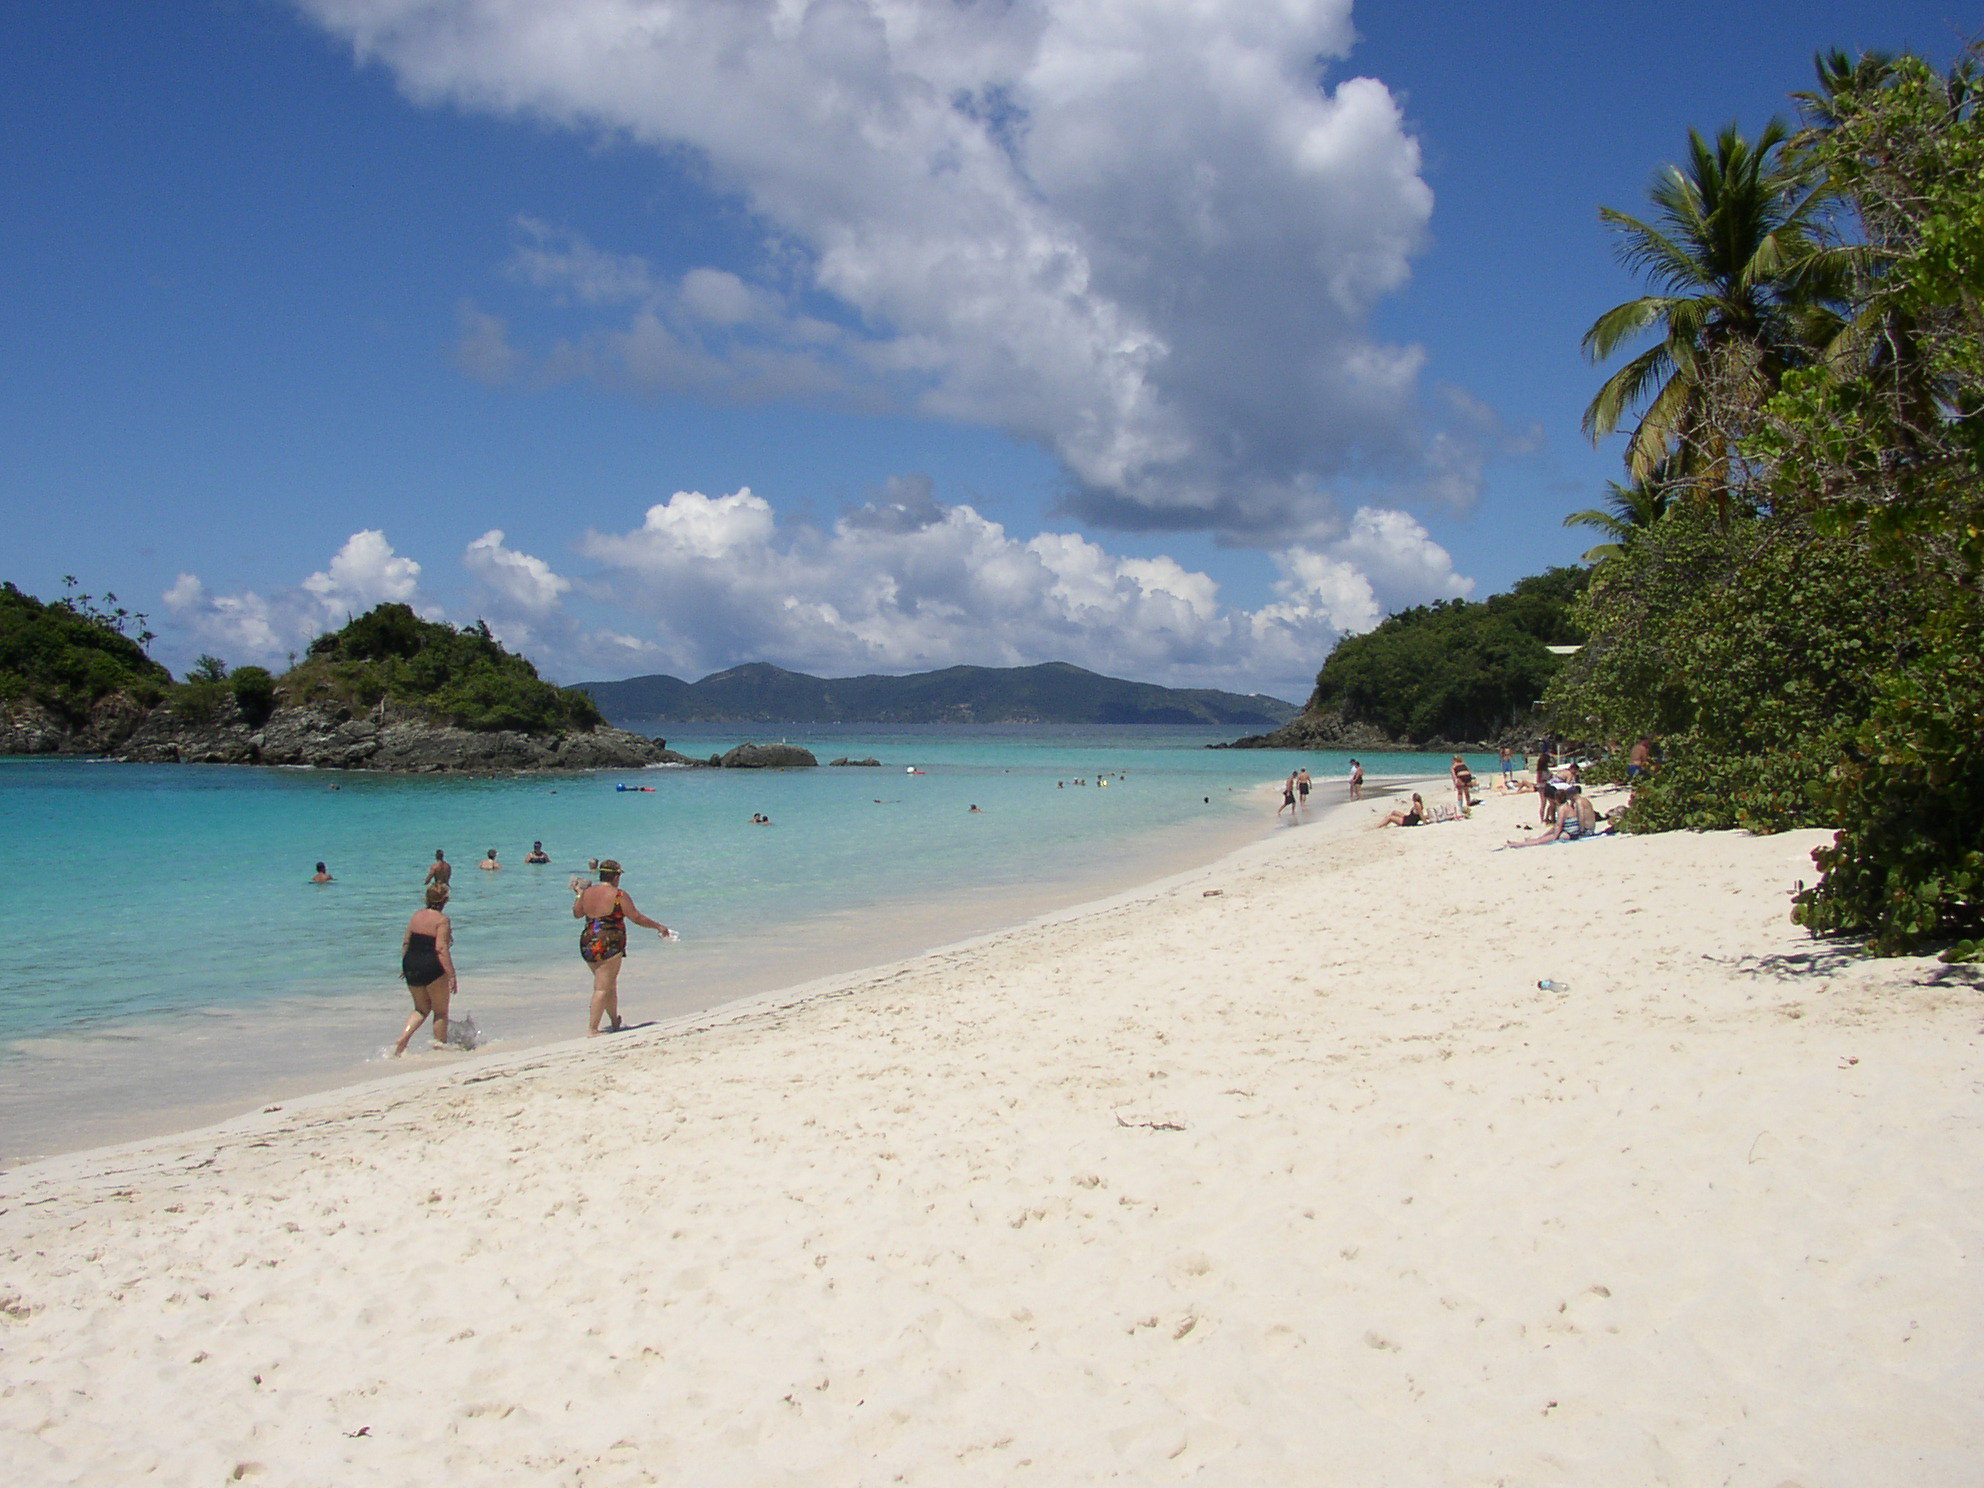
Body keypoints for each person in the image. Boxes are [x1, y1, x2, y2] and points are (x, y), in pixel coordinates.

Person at [572, 858, 670, 1036]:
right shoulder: (619, 895)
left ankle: (615, 1021)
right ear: (616, 877)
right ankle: (593, 1029)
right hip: (608, 943)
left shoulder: (587, 893)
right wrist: (658, 926)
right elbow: (636, 918)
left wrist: (579, 894)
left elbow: (577, 913)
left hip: (587, 942)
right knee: (602, 987)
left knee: (608, 984)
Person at [394, 884, 457, 1055]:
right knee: (440, 1012)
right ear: (445, 900)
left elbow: (406, 942)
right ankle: (440, 1049)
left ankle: (403, 1039)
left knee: (420, 1009)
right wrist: (451, 974)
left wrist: (405, 965)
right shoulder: (442, 920)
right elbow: (441, 949)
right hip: (432, 966)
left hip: (411, 963)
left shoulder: (416, 916)